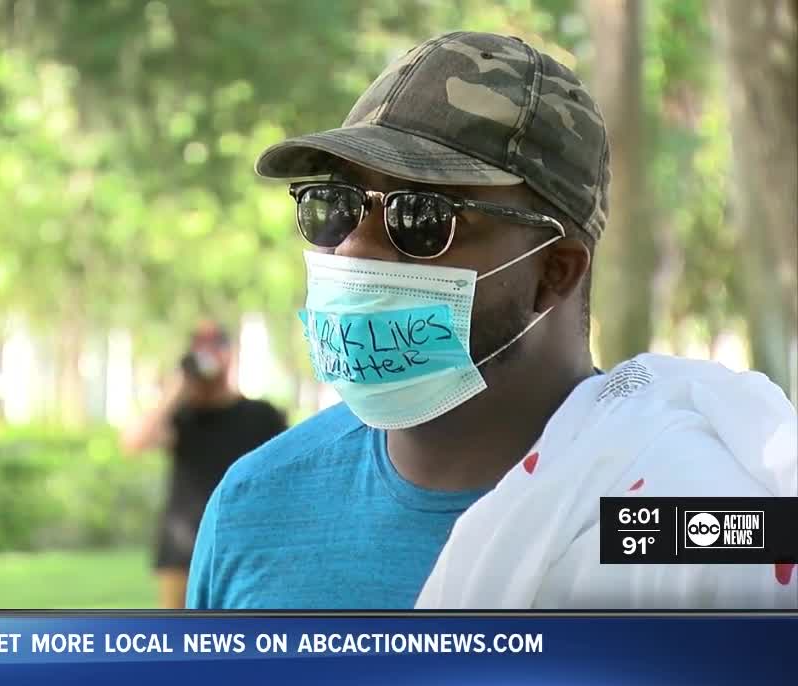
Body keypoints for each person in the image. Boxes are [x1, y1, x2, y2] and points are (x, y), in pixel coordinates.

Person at [188, 31, 797, 610]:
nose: (354, 250)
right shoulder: (257, 507)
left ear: (555, 270)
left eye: (423, 217)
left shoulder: (686, 525)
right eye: (337, 206)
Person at [123, 321, 288, 608]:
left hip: (243, 547)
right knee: (178, 645)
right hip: (182, 551)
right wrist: (176, 389)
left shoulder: (261, 415)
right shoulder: (182, 418)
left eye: (216, 346)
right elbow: (134, 442)